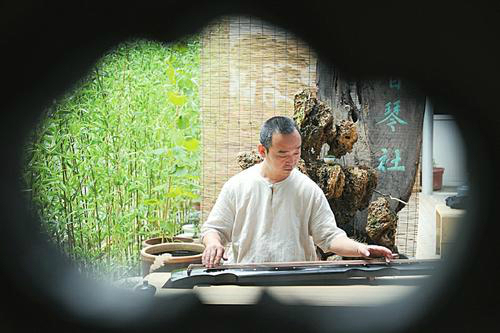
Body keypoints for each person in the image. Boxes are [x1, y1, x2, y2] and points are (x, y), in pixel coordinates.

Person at [200, 116, 395, 268]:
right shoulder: (237, 186)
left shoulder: (307, 189)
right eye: (282, 153)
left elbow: (329, 237)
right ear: (262, 150)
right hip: (245, 275)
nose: (291, 160)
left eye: (296, 152)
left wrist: (361, 249)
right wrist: (213, 244)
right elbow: (214, 229)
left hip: (297, 277)